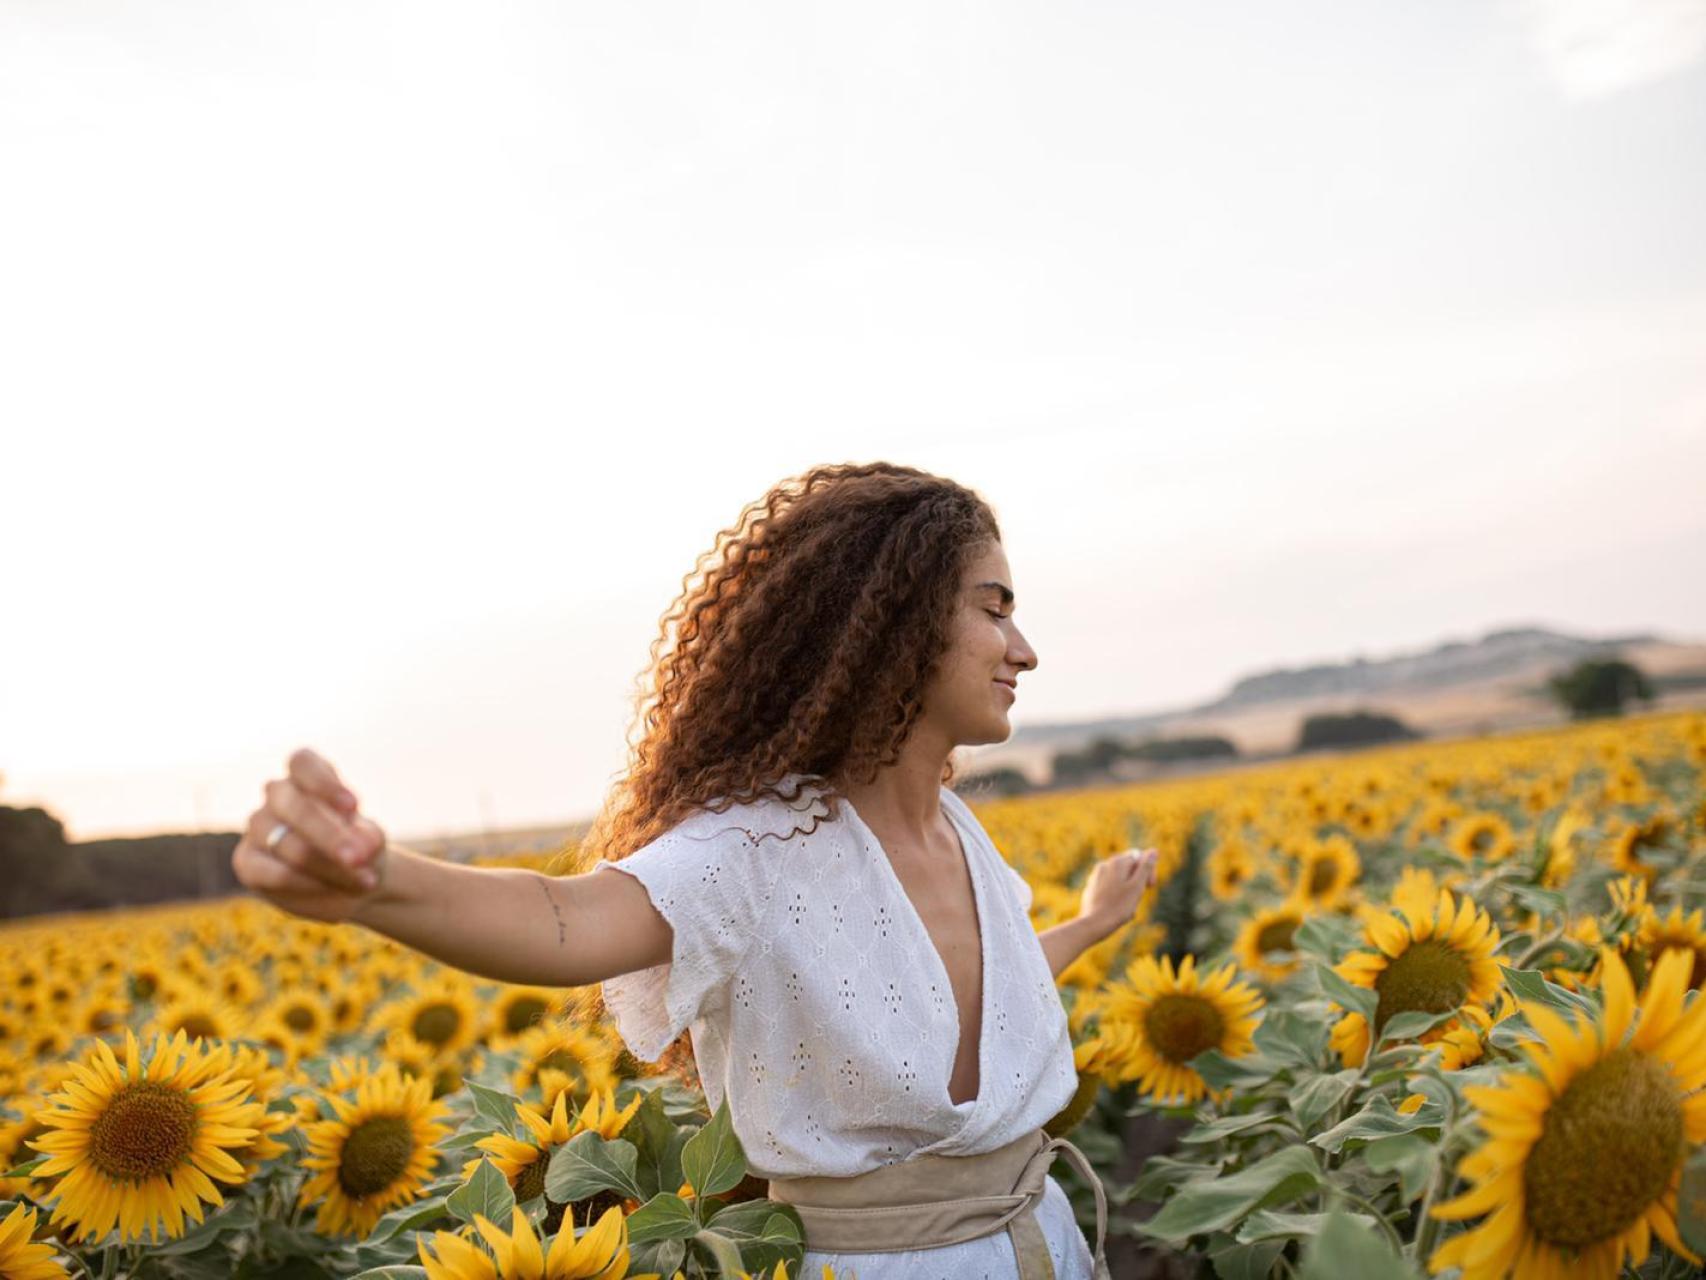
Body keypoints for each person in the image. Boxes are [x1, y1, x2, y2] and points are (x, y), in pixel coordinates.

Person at [232, 461, 1159, 1279]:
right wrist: (380, 884)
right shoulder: (757, 848)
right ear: (894, 623)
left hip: (1043, 1242)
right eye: (994, 608)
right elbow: (567, 919)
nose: (1024, 649)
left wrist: (1088, 924)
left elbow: (970, 1012)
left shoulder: (965, 835)